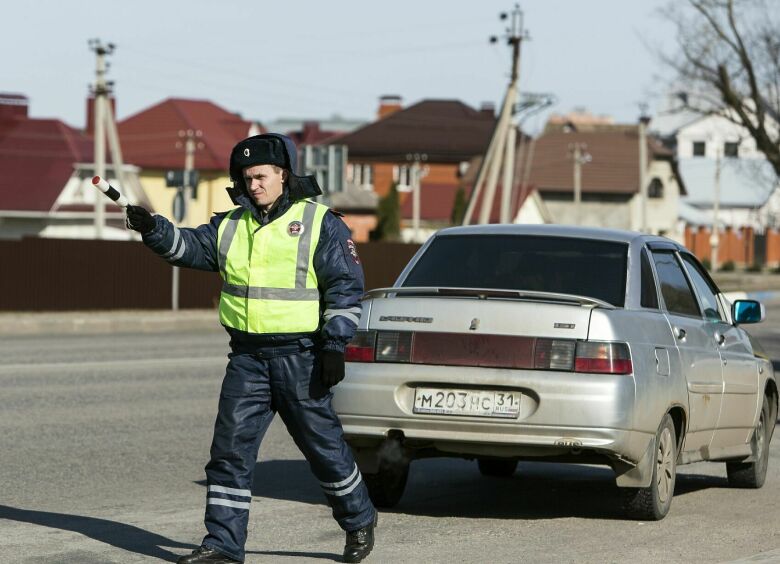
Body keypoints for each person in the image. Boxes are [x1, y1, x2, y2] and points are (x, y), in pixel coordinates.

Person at [126, 133, 377, 564]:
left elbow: (345, 289)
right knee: (229, 453)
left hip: (304, 357)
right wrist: (153, 228)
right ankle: (223, 545)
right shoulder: (230, 225)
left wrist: (335, 346)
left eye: (260, 176)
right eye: (246, 177)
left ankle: (359, 520)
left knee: (324, 451)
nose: (253, 184)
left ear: (283, 175)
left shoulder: (320, 223)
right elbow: (187, 247)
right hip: (246, 359)